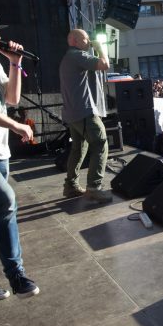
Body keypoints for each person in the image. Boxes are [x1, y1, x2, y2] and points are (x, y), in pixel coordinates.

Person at [0, 12, 39, 300]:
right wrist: (15, 124)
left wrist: (15, 63)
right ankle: (17, 276)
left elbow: (11, 99)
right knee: (6, 200)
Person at [59, 29, 112, 203]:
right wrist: (101, 47)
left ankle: (71, 186)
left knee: (78, 148)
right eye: (85, 39)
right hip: (84, 112)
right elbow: (105, 64)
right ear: (73, 40)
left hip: (73, 113)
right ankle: (94, 188)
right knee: (100, 143)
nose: (88, 41)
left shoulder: (69, 58)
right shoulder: (76, 55)